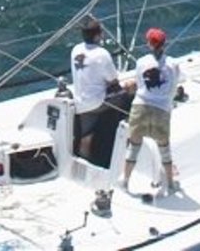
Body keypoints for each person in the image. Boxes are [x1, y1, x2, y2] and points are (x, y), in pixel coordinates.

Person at [120, 27, 184, 201]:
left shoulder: (141, 62)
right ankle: (170, 184)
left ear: (149, 44)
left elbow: (140, 84)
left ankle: (125, 182)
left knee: (134, 146)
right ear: (164, 44)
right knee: (164, 149)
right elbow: (174, 85)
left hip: (140, 107)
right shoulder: (173, 64)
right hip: (162, 110)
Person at [67, 16, 127, 177]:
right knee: (129, 90)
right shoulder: (102, 54)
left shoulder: (75, 50)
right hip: (98, 103)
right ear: (97, 36)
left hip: (80, 103)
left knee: (86, 132)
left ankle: (84, 158)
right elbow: (113, 80)